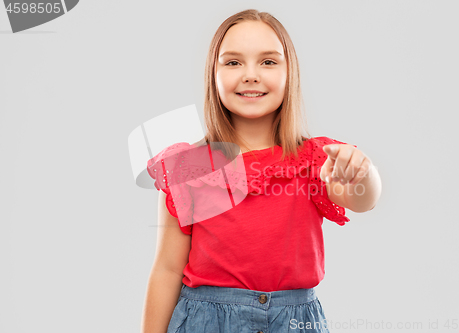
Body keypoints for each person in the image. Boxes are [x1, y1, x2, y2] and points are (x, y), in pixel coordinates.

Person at [141, 9, 382, 333]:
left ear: (289, 73)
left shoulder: (314, 159)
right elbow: (168, 270)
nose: (250, 74)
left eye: (268, 61)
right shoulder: (191, 167)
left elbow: (363, 199)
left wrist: (362, 173)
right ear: (213, 74)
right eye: (233, 62)